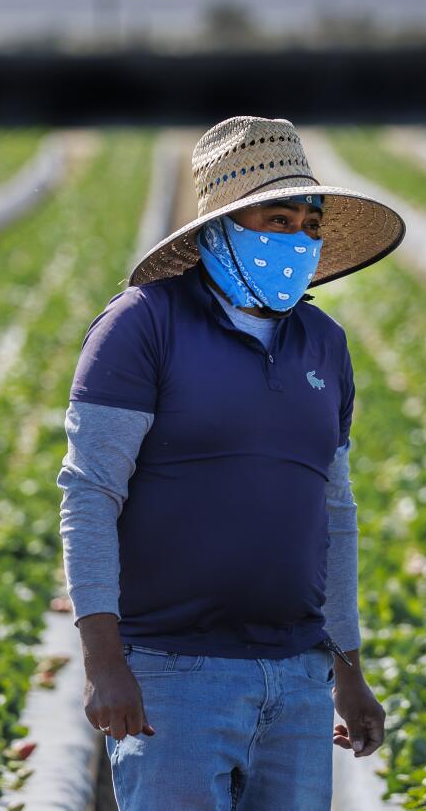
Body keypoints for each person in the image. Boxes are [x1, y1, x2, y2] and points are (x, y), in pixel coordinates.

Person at [57, 115, 404, 809]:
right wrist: (104, 663)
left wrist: (349, 671)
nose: (299, 239)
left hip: (298, 678)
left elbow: (332, 512)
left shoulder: (324, 343)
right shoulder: (142, 326)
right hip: (175, 675)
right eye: (277, 219)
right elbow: (90, 493)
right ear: (217, 229)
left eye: (310, 222)